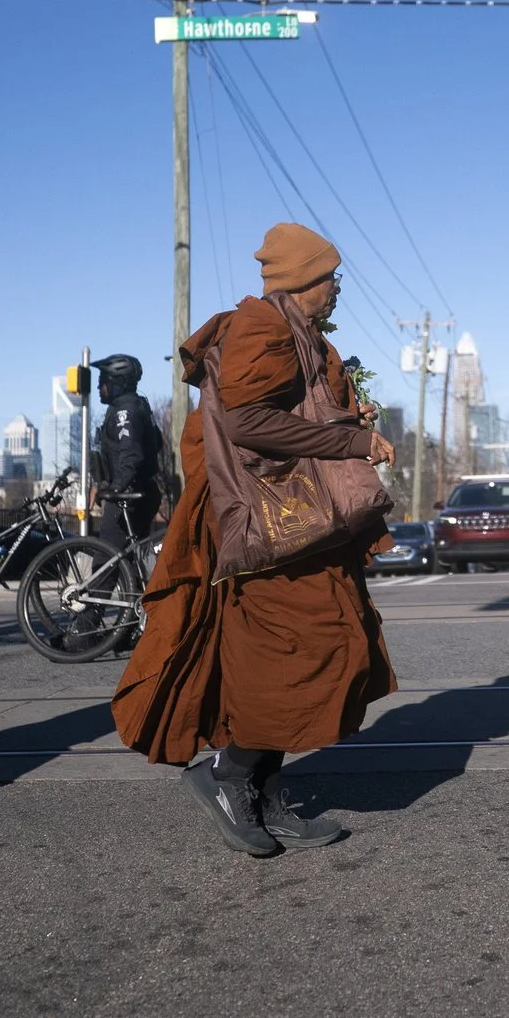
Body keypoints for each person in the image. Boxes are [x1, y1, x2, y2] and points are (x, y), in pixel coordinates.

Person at [109, 223, 396, 857]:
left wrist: (348, 413)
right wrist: (350, 440)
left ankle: (267, 793)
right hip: (263, 530)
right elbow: (245, 421)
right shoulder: (261, 327)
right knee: (303, 649)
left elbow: (288, 410)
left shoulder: (297, 331)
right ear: (301, 281)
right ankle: (226, 775)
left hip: (300, 528)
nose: (337, 289)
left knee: (323, 645)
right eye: (330, 278)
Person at [89, 353, 168, 550]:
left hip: (127, 496)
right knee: (131, 561)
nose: (99, 388)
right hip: (143, 491)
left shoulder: (124, 413)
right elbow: (156, 442)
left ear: (119, 383)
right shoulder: (139, 406)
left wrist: (116, 487)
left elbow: (131, 454)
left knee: (104, 562)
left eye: (103, 381)